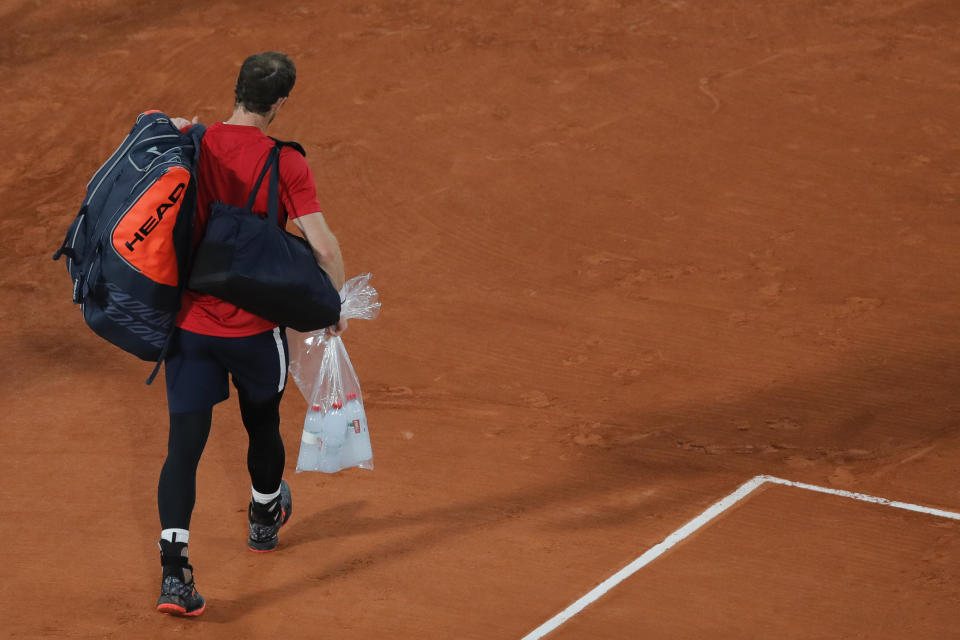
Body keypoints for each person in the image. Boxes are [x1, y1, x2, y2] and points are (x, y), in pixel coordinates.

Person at [156, 51, 347, 617]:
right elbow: (323, 245)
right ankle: (265, 515)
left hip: (189, 327)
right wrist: (330, 304)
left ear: (235, 90)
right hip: (253, 331)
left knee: (182, 450)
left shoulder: (195, 140)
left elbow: (161, 131)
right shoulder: (286, 163)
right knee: (262, 421)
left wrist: (182, 126)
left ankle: (174, 574)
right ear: (281, 104)